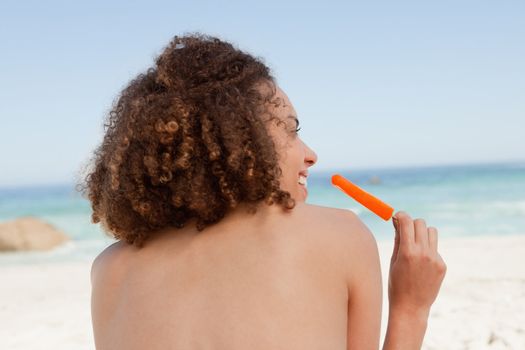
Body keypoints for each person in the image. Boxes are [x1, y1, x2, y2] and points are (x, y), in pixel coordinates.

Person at [79, 32, 447, 350]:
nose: (310, 155)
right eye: (291, 129)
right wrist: (411, 309)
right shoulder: (340, 235)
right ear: (240, 141)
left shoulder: (110, 269)